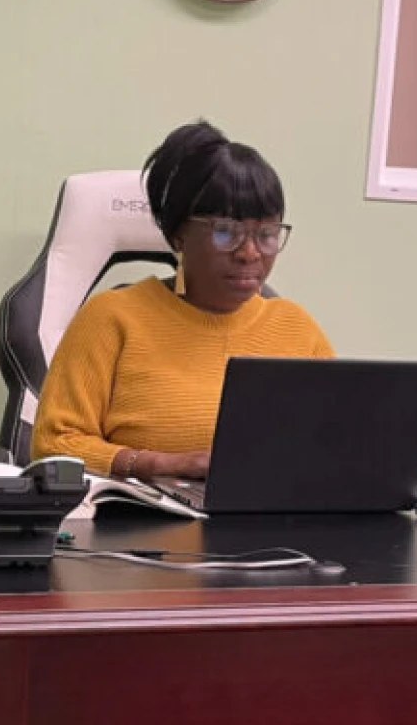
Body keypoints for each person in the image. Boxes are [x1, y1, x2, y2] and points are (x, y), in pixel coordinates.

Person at [30, 120, 332, 480]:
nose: (250, 253)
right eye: (226, 232)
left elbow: (339, 441)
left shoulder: (296, 327)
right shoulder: (111, 318)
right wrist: (159, 465)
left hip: (272, 525)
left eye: (266, 234)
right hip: (140, 526)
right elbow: (53, 444)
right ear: (178, 235)